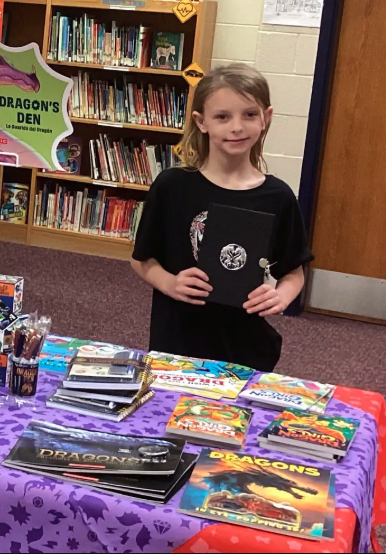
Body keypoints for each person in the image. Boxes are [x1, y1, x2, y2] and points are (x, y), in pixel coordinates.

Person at [130, 63, 313, 372]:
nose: (237, 127)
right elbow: (141, 259)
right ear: (202, 122)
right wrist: (170, 283)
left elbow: (294, 272)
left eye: (249, 114)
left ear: (266, 118)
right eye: (223, 116)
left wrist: (279, 297)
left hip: (244, 348)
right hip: (177, 344)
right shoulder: (172, 187)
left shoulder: (278, 197)